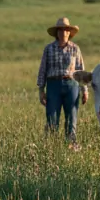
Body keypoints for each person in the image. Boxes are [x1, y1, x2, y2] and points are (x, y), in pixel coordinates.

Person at [37, 16, 87, 146]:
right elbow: (43, 69)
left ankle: (71, 145)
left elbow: (80, 70)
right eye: (60, 30)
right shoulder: (49, 49)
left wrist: (84, 90)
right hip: (53, 84)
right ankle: (51, 146)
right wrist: (41, 90)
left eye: (66, 30)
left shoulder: (75, 48)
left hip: (72, 85)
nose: (63, 33)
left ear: (69, 32)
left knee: (72, 117)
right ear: (57, 33)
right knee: (52, 116)